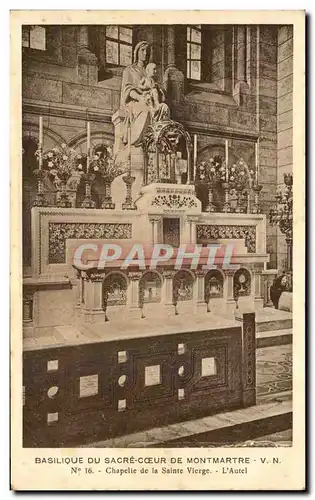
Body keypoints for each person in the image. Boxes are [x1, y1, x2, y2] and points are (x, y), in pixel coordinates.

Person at [120, 41, 169, 147]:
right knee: (145, 108)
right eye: (142, 50)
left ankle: (158, 142)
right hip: (135, 102)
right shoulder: (129, 70)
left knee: (164, 107)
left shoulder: (149, 71)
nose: (145, 53)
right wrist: (139, 97)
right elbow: (128, 89)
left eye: (147, 51)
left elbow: (156, 89)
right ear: (137, 52)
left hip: (151, 101)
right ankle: (137, 141)